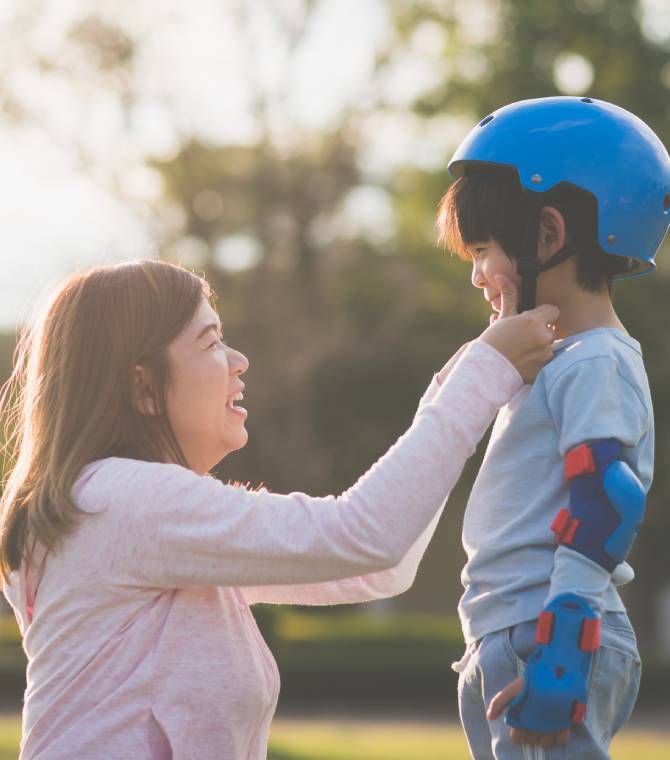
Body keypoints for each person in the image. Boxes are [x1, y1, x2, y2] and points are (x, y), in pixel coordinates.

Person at [0, 258, 556, 759]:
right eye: (211, 342)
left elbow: (379, 565)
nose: (239, 361)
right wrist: (485, 372)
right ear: (143, 388)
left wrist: (469, 373)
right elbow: (363, 537)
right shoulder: (123, 501)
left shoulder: (123, 513)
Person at [436, 95, 670, 759]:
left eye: (482, 251)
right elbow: (445, 408)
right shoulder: (552, 359)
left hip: (551, 630)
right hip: (513, 630)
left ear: (547, 236)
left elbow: (606, 502)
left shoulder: (596, 361)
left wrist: (563, 650)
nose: (477, 274)